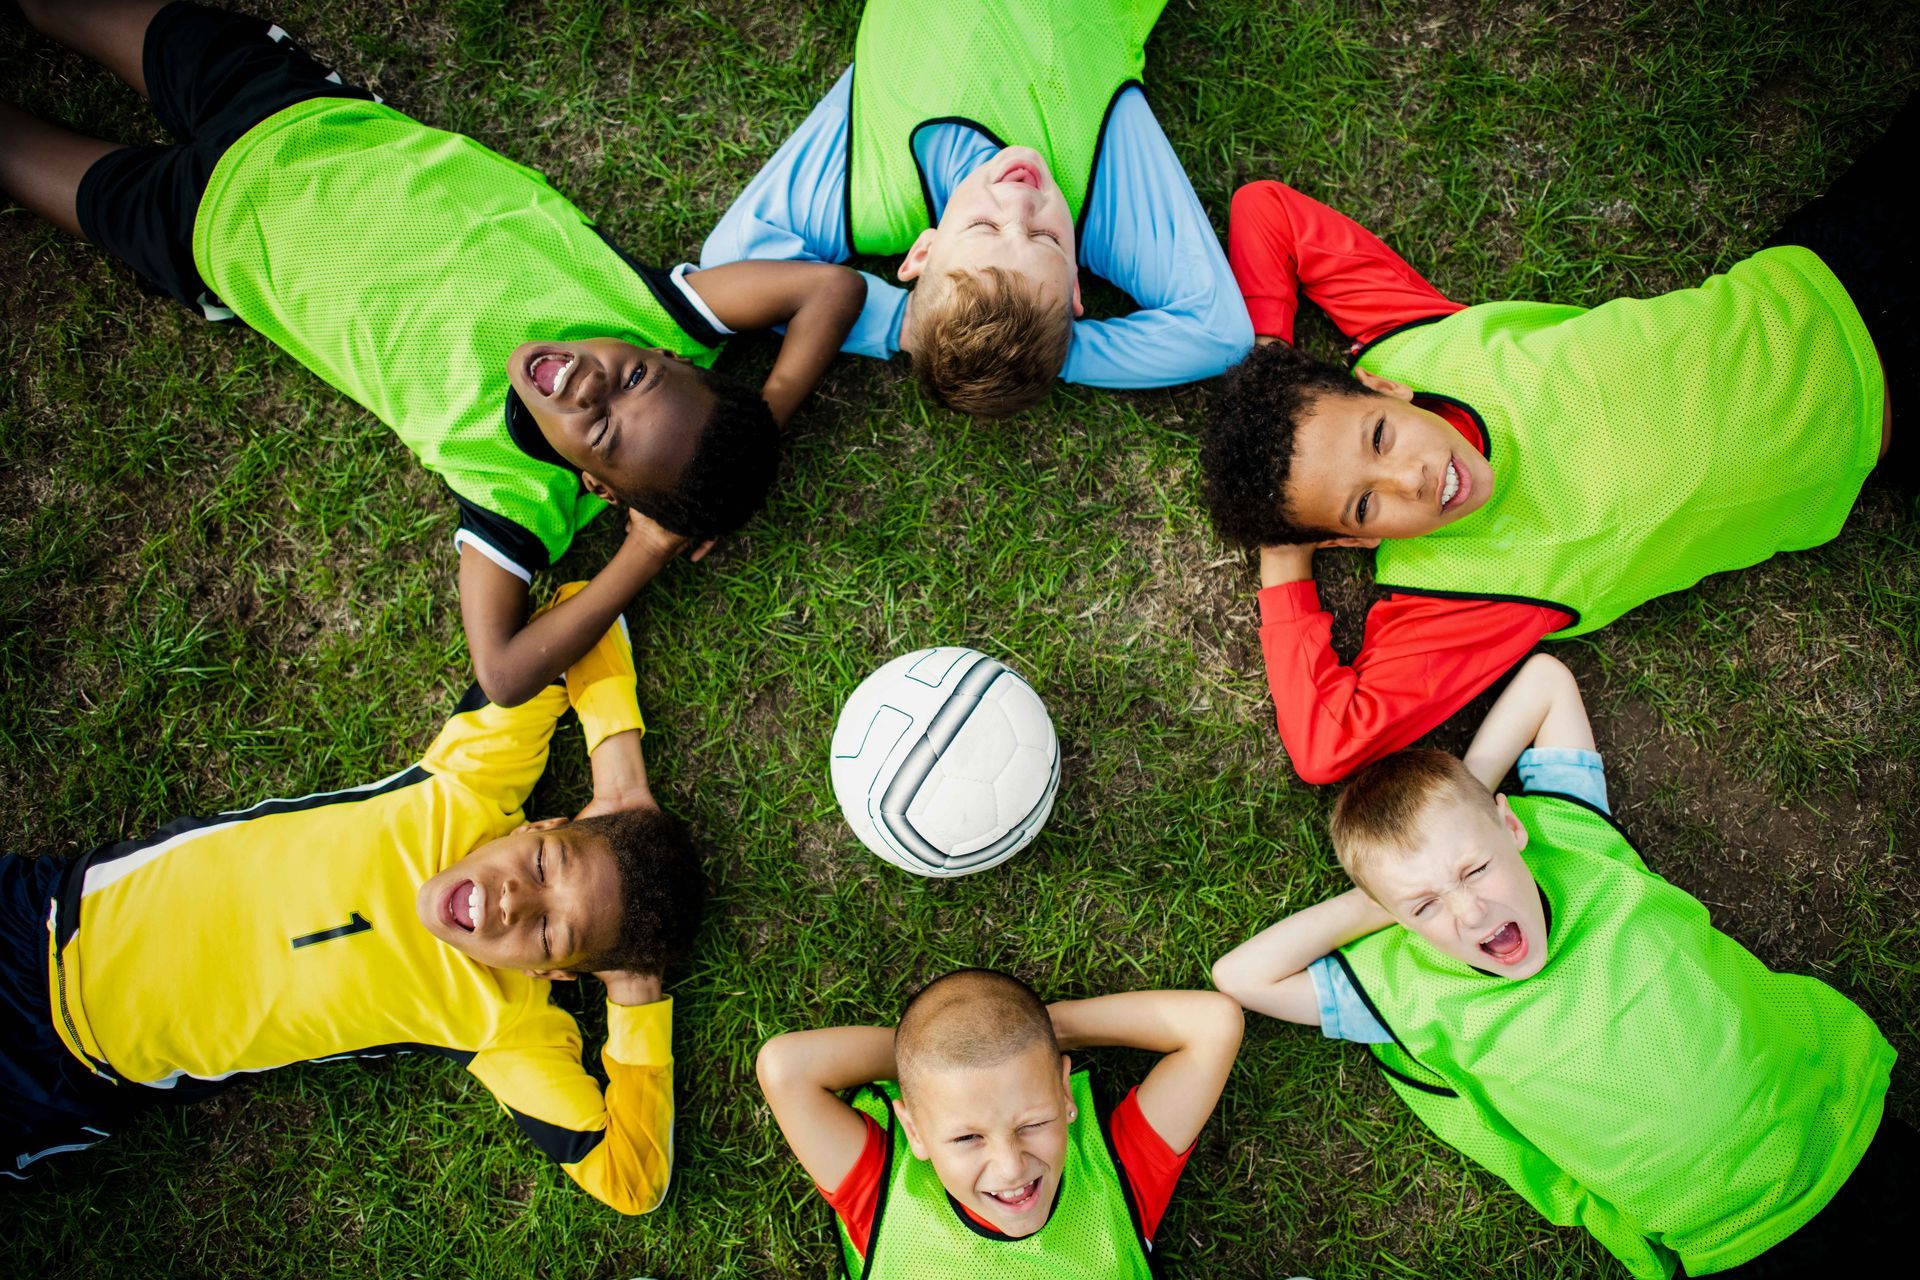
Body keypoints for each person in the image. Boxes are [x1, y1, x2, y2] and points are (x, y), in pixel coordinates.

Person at [0, 1, 866, 707]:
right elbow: (831, 290)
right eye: (635, 374)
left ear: (596, 488)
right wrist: (762, 424)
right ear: (667, 355)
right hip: (288, 110)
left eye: (600, 434)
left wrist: (648, 547)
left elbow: (504, 673)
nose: (593, 385)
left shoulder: (516, 492)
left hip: (202, 236)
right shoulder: (657, 312)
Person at [1201, 100, 1914, 784]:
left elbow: (1266, 212)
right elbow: (1328, 744)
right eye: (1362, 508)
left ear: (1385, 390)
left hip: (1833, 262)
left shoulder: (1410, 346)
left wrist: (1270, 361)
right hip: (1890, 416)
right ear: (1352, 543)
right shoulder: (1452, 597)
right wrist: (1285, 564)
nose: (1410, 478)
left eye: (1380, 438)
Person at [2, 583, 702, 1214]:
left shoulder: (503, 1027)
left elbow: (632, 1179)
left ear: (553, 976)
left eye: (550, 935)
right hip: (39, 913)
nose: (515, 901)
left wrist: (632, 987)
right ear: (545, 824)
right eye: (546, 862)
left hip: (55, 1073)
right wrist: (619, 784)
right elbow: (583, 617)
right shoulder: (468, 788)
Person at [1211, 654, 1904, 1278]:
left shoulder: (1569, 833)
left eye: (1476, 867)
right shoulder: (1400, 985)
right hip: (1733, 1241)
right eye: (1425, 908)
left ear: (1511, 828)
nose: (1473, 914)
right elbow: (1241, 976)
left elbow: (1544, 680)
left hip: (1843, 1128)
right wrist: (1385, 903)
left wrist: (1463, 810)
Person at [699, 0, 1252, 418]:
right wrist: (1046, 347)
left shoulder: (873, 182)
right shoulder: (1097, 177)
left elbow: (733, 264)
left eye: (984, 225)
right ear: (1077, 292)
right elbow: (1217, 332)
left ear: (924, 249)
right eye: (1047, 240)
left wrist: (906, 324)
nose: (1021, 200)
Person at [754, 969, 1242, 1276]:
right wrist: (927, 1059)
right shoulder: (884, 1189)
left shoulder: (1111, 1172)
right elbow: (785, 1068)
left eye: (1032, 1123)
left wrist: (1039, 1036)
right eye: (967, 1137)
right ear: (916, 1130)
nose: (1010, 1168)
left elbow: (1214, 1025)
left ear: (1064, 1094)